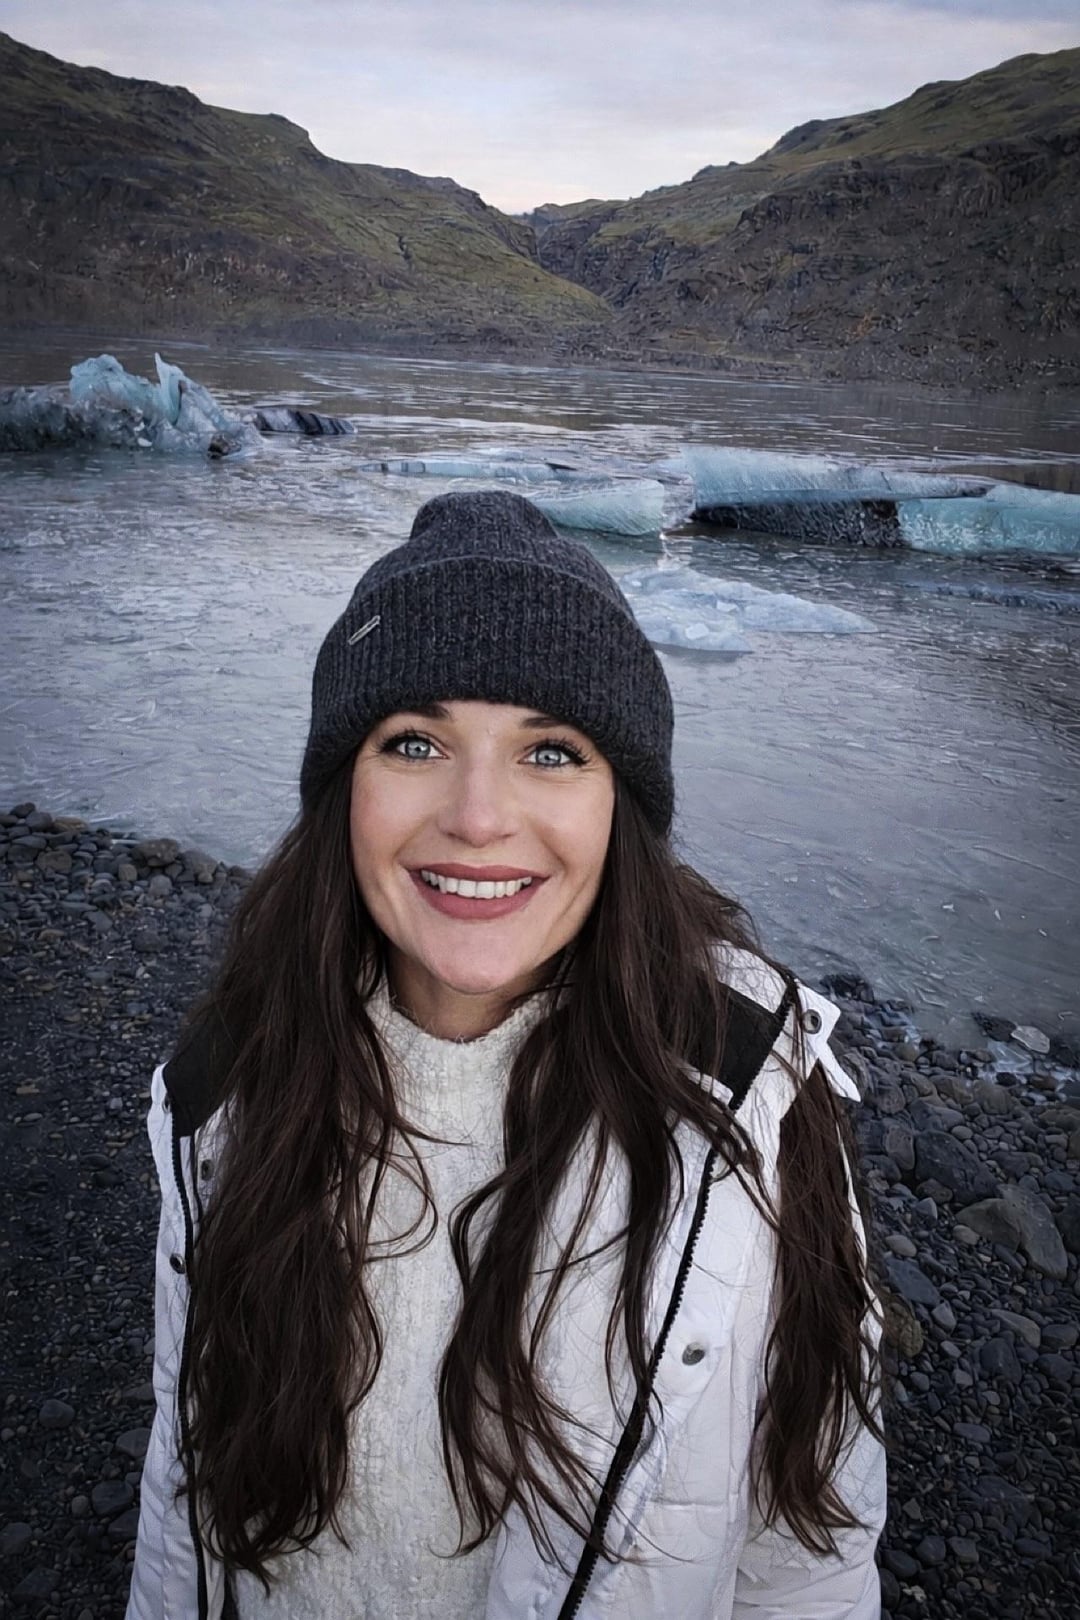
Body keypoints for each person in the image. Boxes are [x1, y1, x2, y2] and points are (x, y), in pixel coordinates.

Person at [127, 490, 886, 1620]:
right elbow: (181, 1495)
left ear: (621, 804)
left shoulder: (744, 1107)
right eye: (415, 743)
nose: (479, 817)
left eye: (550, 752)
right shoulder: (230, 1086)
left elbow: (808, 1549)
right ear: (344, 788)